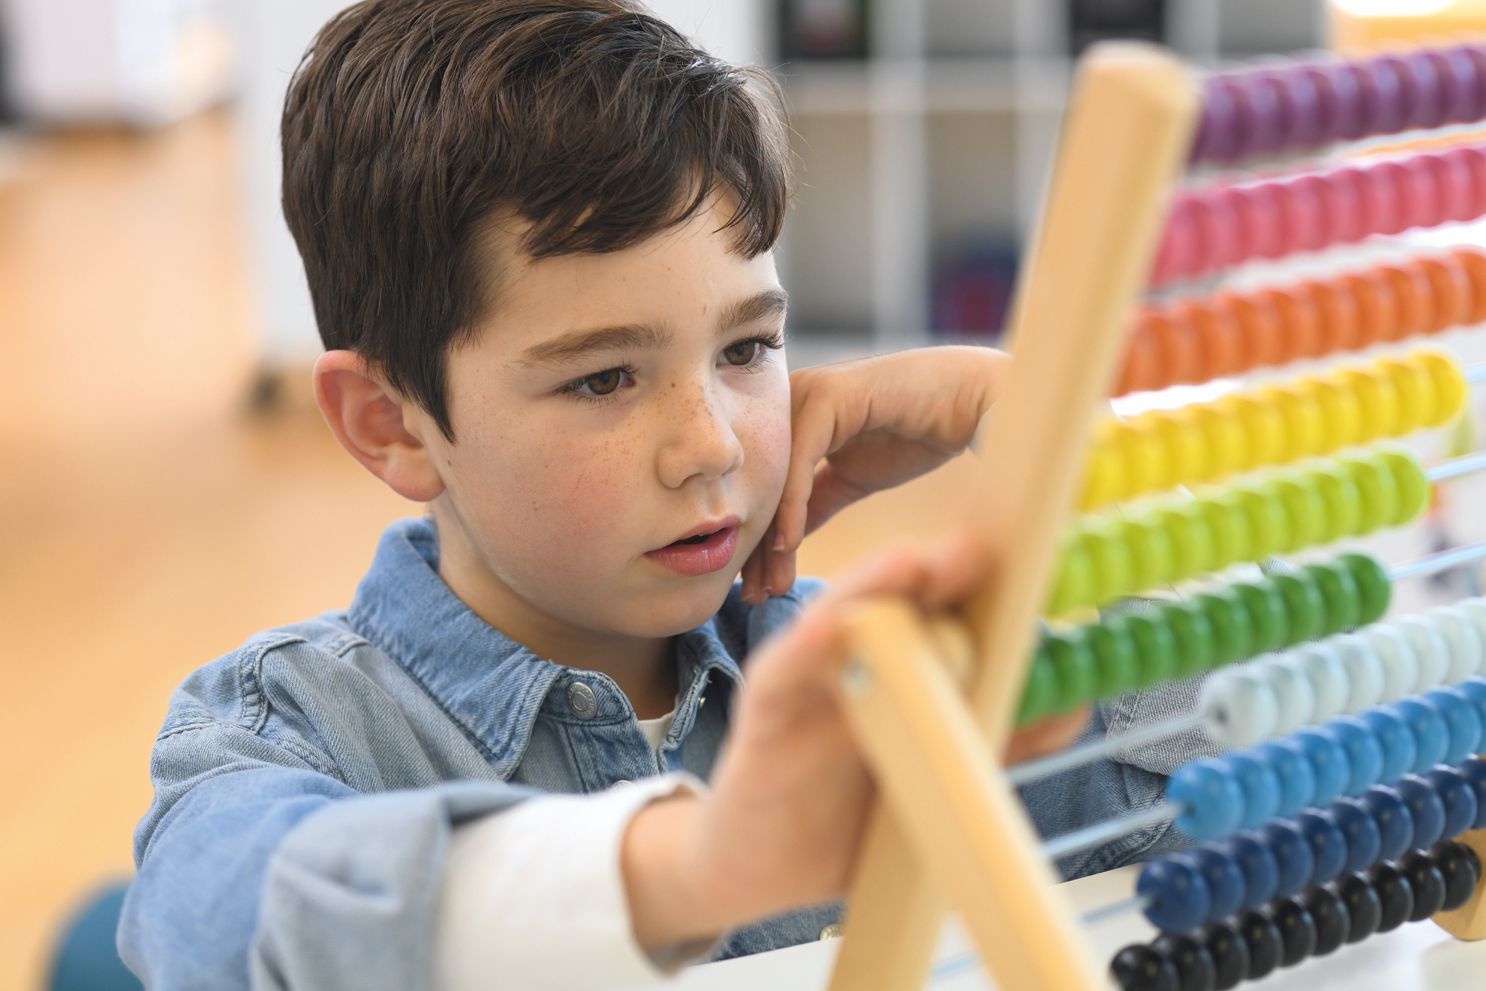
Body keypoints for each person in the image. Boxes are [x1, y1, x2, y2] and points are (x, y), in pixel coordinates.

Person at [116, 3, 1164, 988]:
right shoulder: (283, 729)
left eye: (747, 346)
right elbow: (225, 924)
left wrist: (1074, 447)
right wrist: (697, 861)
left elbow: (1244, 765)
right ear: (391, 422)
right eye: (602, 377)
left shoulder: (882, 682)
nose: (707, 445)